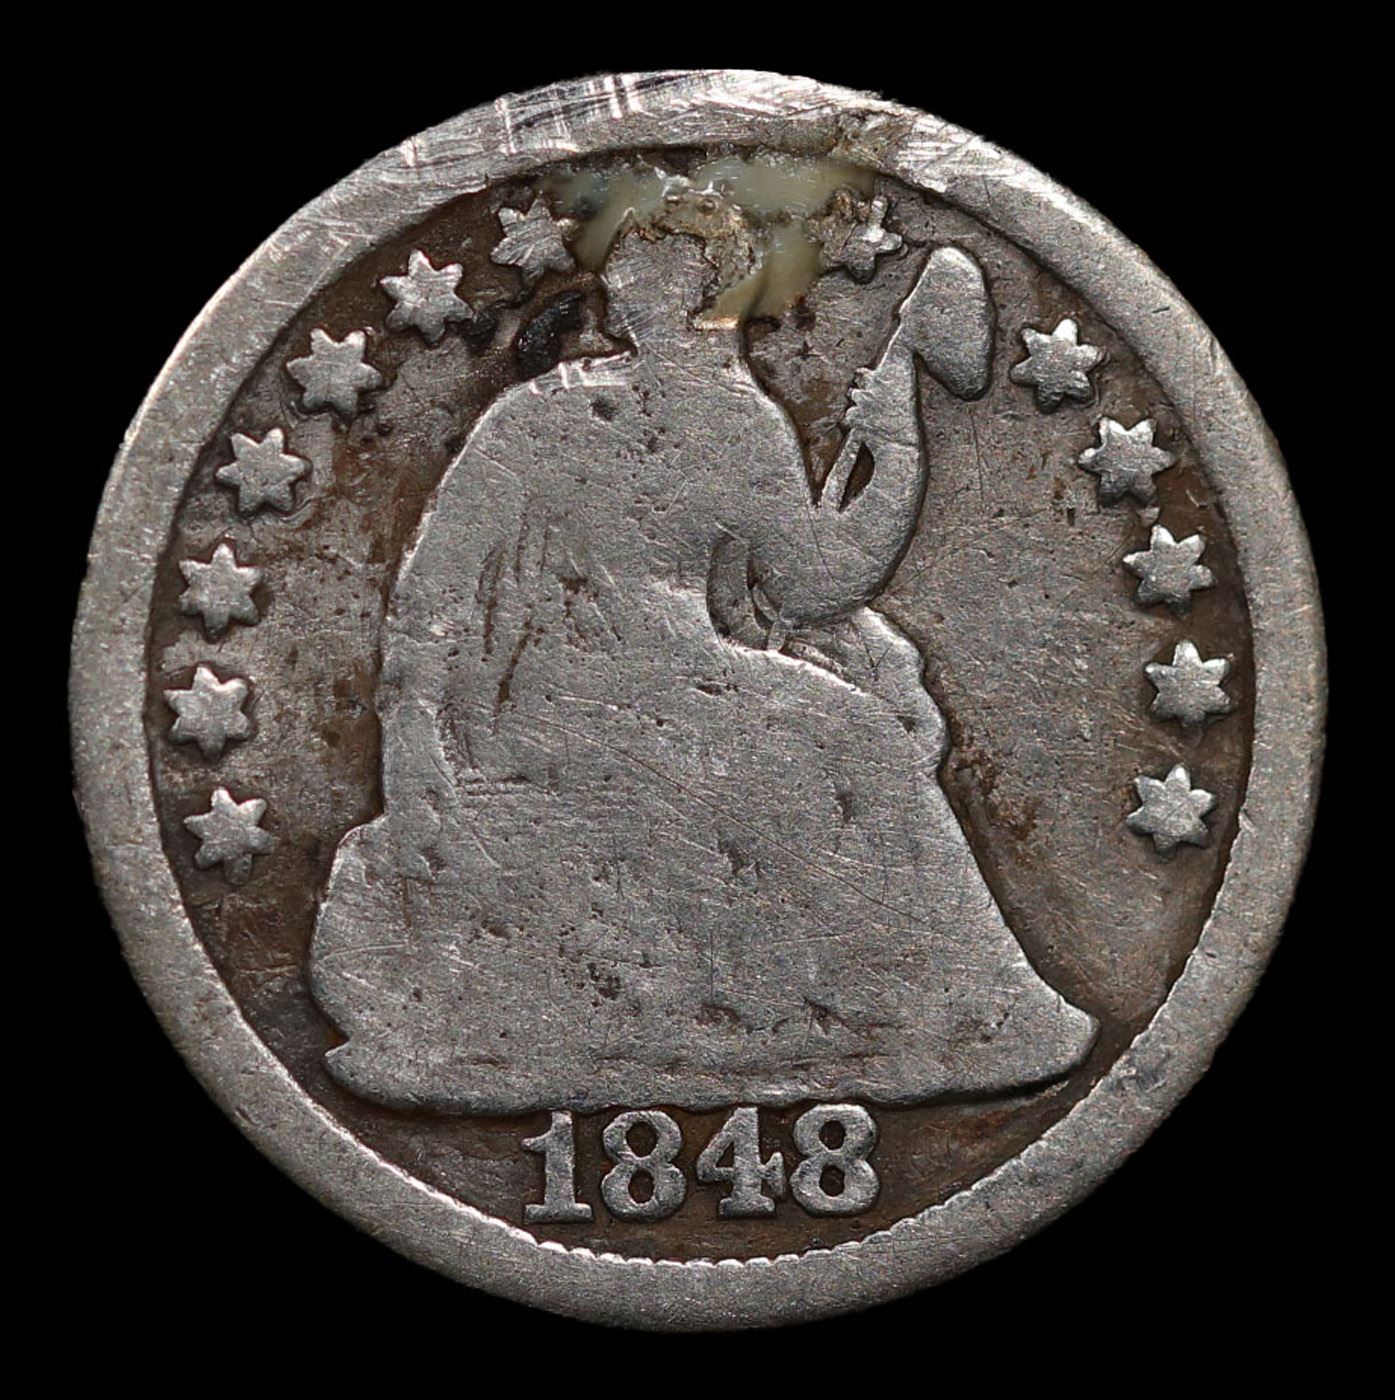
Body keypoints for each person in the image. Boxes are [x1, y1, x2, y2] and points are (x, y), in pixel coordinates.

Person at [309, 190, 1097, 1113]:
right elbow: (431, 594)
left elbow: (813, 586)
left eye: (656, 271)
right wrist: (412, 746)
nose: (629, 288)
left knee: (852, 733)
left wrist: (894, 444)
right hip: (567, 701)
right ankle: (926, 1022)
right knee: (852, 738)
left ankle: (889, 1020)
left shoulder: (740, 419)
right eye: (630, 271)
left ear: (712, 291)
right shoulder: (544, 416)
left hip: (676, 682)